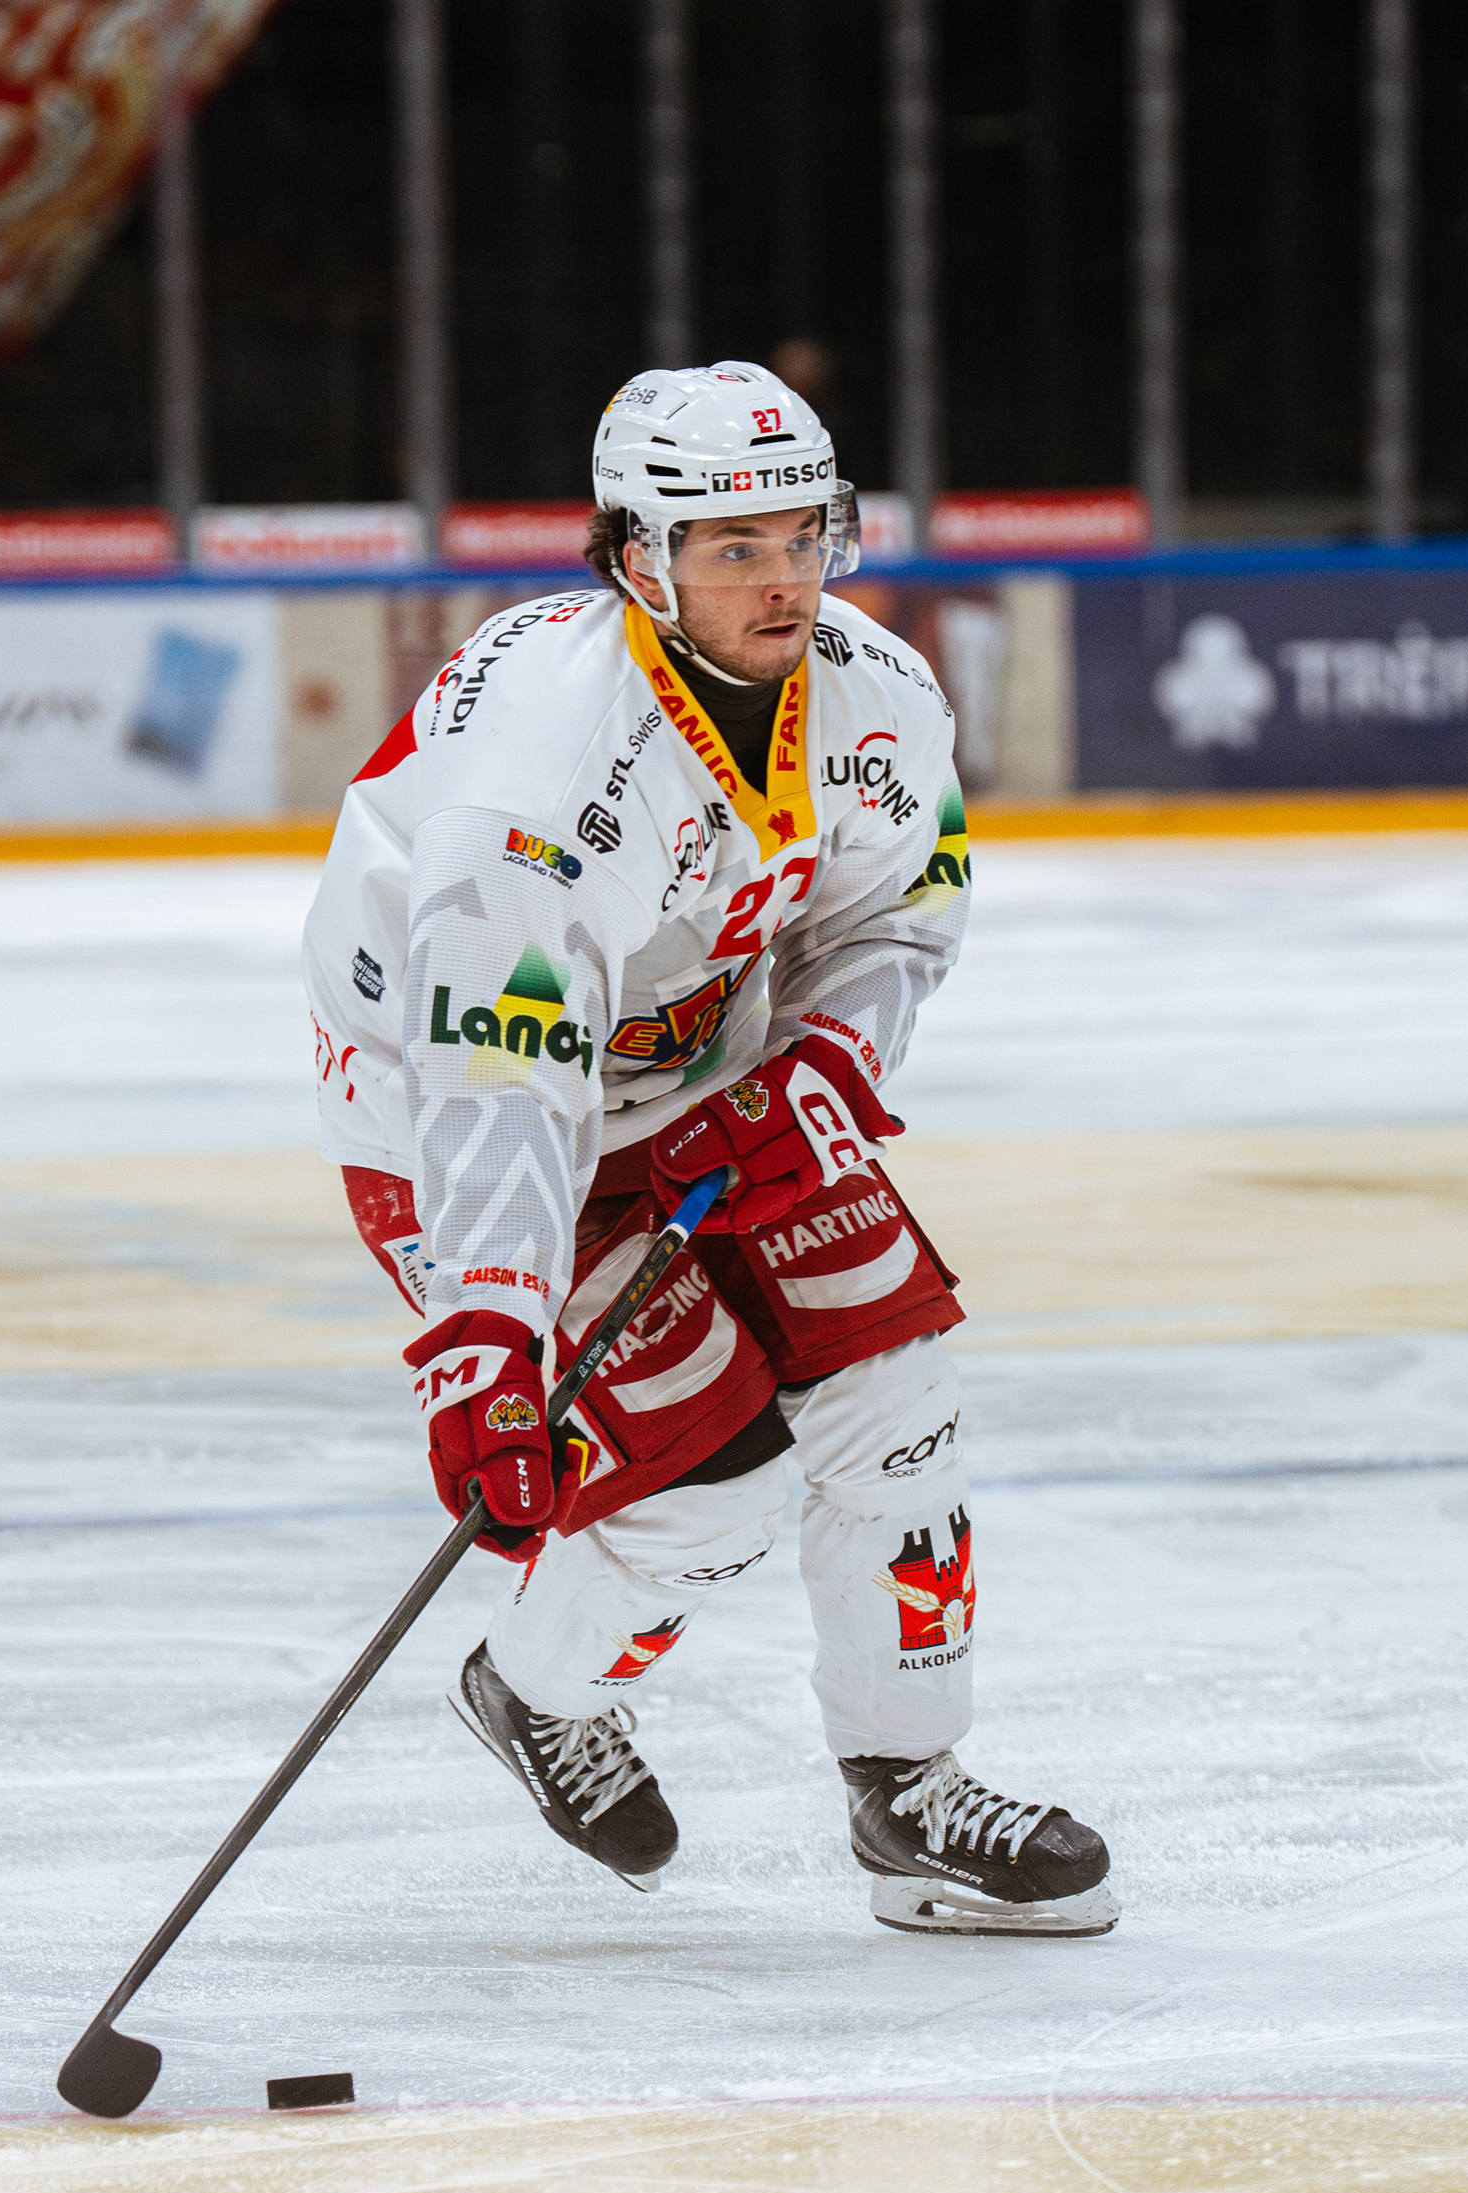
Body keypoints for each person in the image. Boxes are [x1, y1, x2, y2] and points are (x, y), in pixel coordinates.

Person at [299, 360, 1114, 1937]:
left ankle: (910, 1789)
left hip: (711, 1077)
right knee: (708, 1491)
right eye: (736, 548)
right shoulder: (544, 783)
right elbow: (497, 1078)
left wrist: (827, 1058)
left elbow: (902, 907)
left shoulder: (877, 695)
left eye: (804, 536)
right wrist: (487, 1337)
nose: (784, 579)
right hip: (457, 1111)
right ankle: (536, 1688)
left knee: (898, 1399)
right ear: (638, 558)